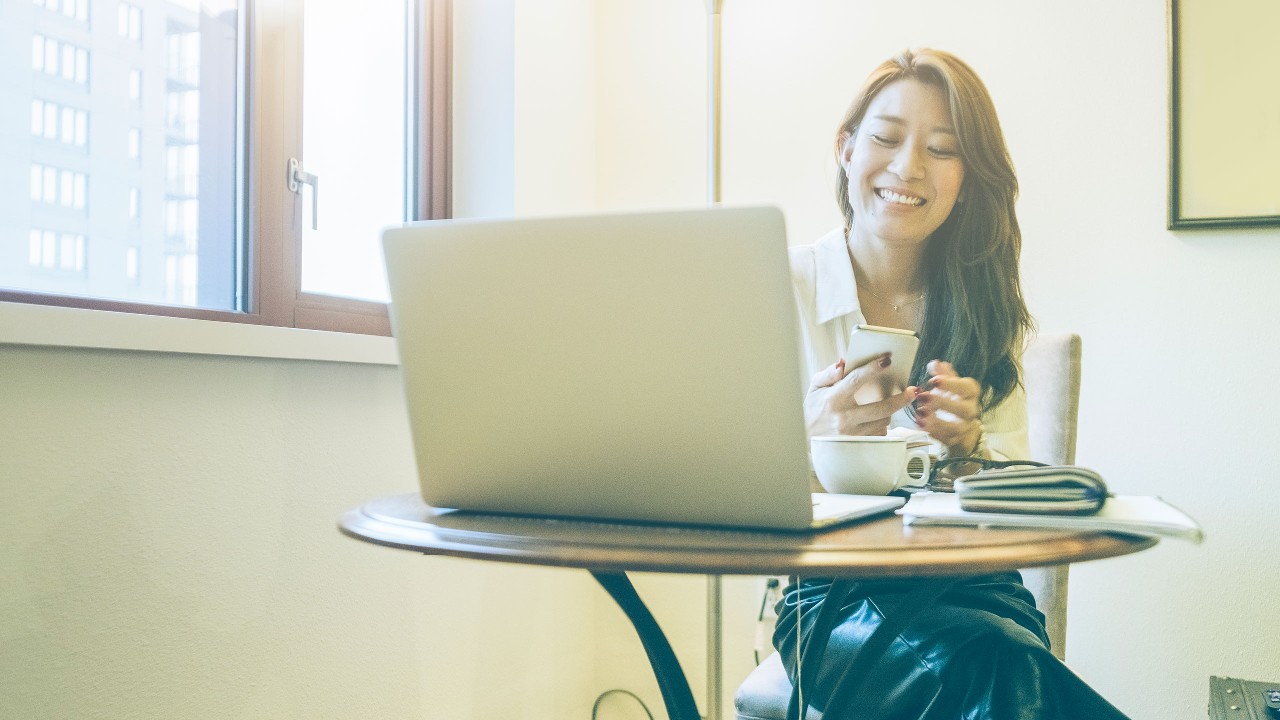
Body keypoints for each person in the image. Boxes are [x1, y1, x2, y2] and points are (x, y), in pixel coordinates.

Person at [773, 49, 1129, 719]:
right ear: (846, 149)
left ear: (968, 179)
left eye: (942, 150)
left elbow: (1020, 510)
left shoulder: (982, 307)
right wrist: (808, 442)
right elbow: (719, 495)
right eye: (885, 137)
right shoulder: (769, 288)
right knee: (999, 672)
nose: (908, 167)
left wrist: (967, 452)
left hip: (982, 589)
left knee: (996, 658)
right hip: (831, 603)